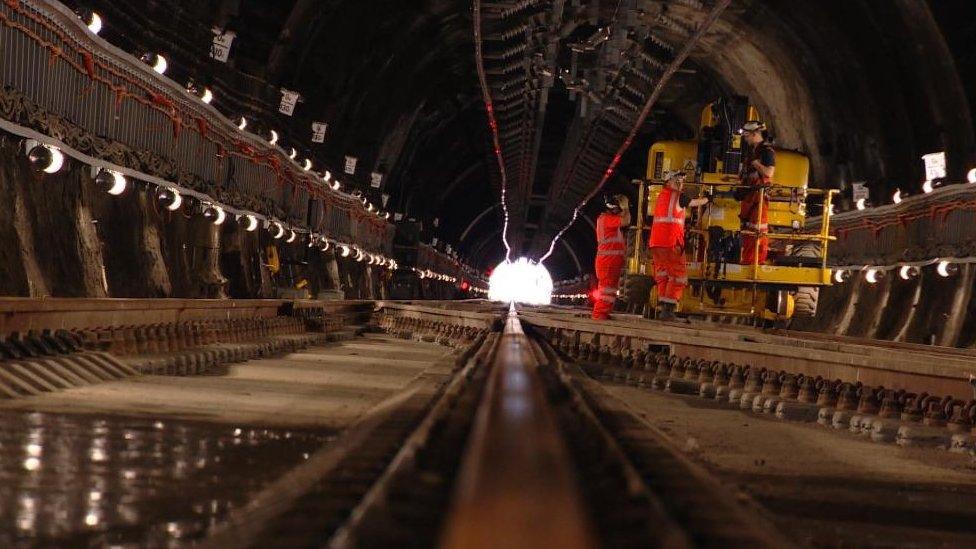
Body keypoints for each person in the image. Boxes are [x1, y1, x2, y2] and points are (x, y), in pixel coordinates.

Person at [649, 170, 709, 321]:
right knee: (678, 276)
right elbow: (692, 203)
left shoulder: (661, 196)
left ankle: (663, 309)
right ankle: (668, 311)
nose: (680, 183)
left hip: (656, 243)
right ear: (668, 181)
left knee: (663, 275)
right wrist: (707, 199)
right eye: (677, 180)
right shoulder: (677, 196)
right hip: (671, 244)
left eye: (682, 181)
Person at [738, 120, 775, 265]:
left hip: (759, 197)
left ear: (755, 134)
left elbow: (769, 172)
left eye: (747, 135)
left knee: (758, 230)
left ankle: (756, 262)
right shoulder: (751, 151)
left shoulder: (767, 151)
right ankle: (748, 261)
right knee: (748, 230)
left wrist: (755, 163)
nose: (745, 139)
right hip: (749, 196)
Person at [592, 193, 630, 320]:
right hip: (607, 263)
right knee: (606, 292)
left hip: (610, 263)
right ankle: (598, 317)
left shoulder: (607, 219)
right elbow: (626, 220)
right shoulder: (606, 219)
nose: (619, 212)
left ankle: (602, 315)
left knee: (609, 292)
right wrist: (625, 208)